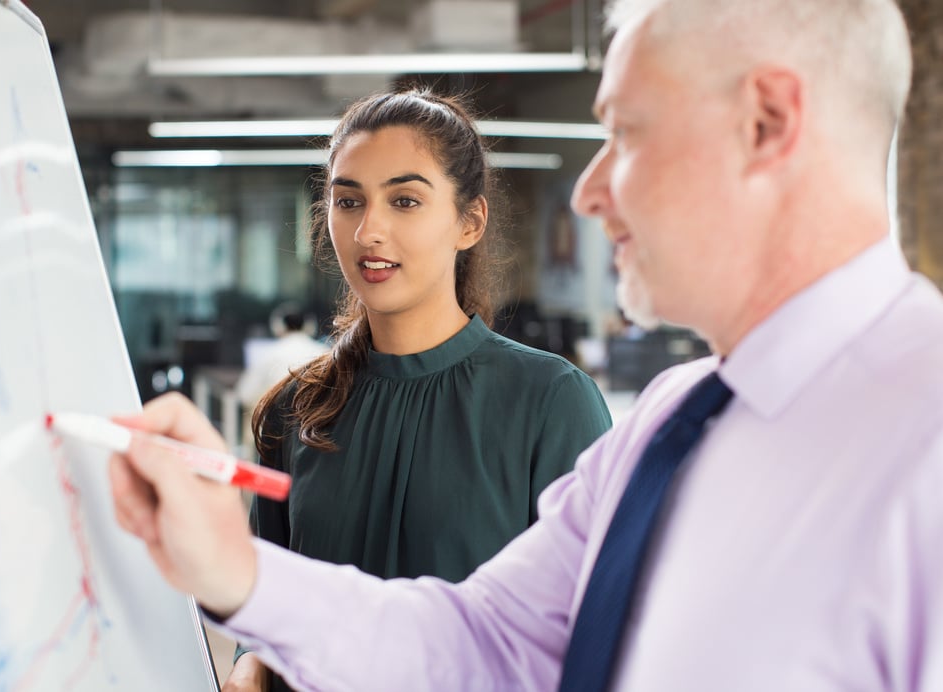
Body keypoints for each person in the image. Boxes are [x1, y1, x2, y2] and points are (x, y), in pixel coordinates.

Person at [109, 0, 943, 689]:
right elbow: (484, 643)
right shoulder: (671, 422)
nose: (588, 190)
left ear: (766, 123)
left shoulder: (923, 442)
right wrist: (235, 568)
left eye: (629, 133)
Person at [222, 88, 613, 691]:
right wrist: (249, 659)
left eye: (404, 201)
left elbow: (591, 631)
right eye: (348, 201)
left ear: (469, 222)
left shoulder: (550, 401)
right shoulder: (294, 410)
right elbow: (265, 604)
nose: (368, 230)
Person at [234, 303, 328, 415]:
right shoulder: (324, 352)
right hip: (317, 424)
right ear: (310, 326)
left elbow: (246, 395)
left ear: (277, 326)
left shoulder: (268, 354)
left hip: (278, 424)